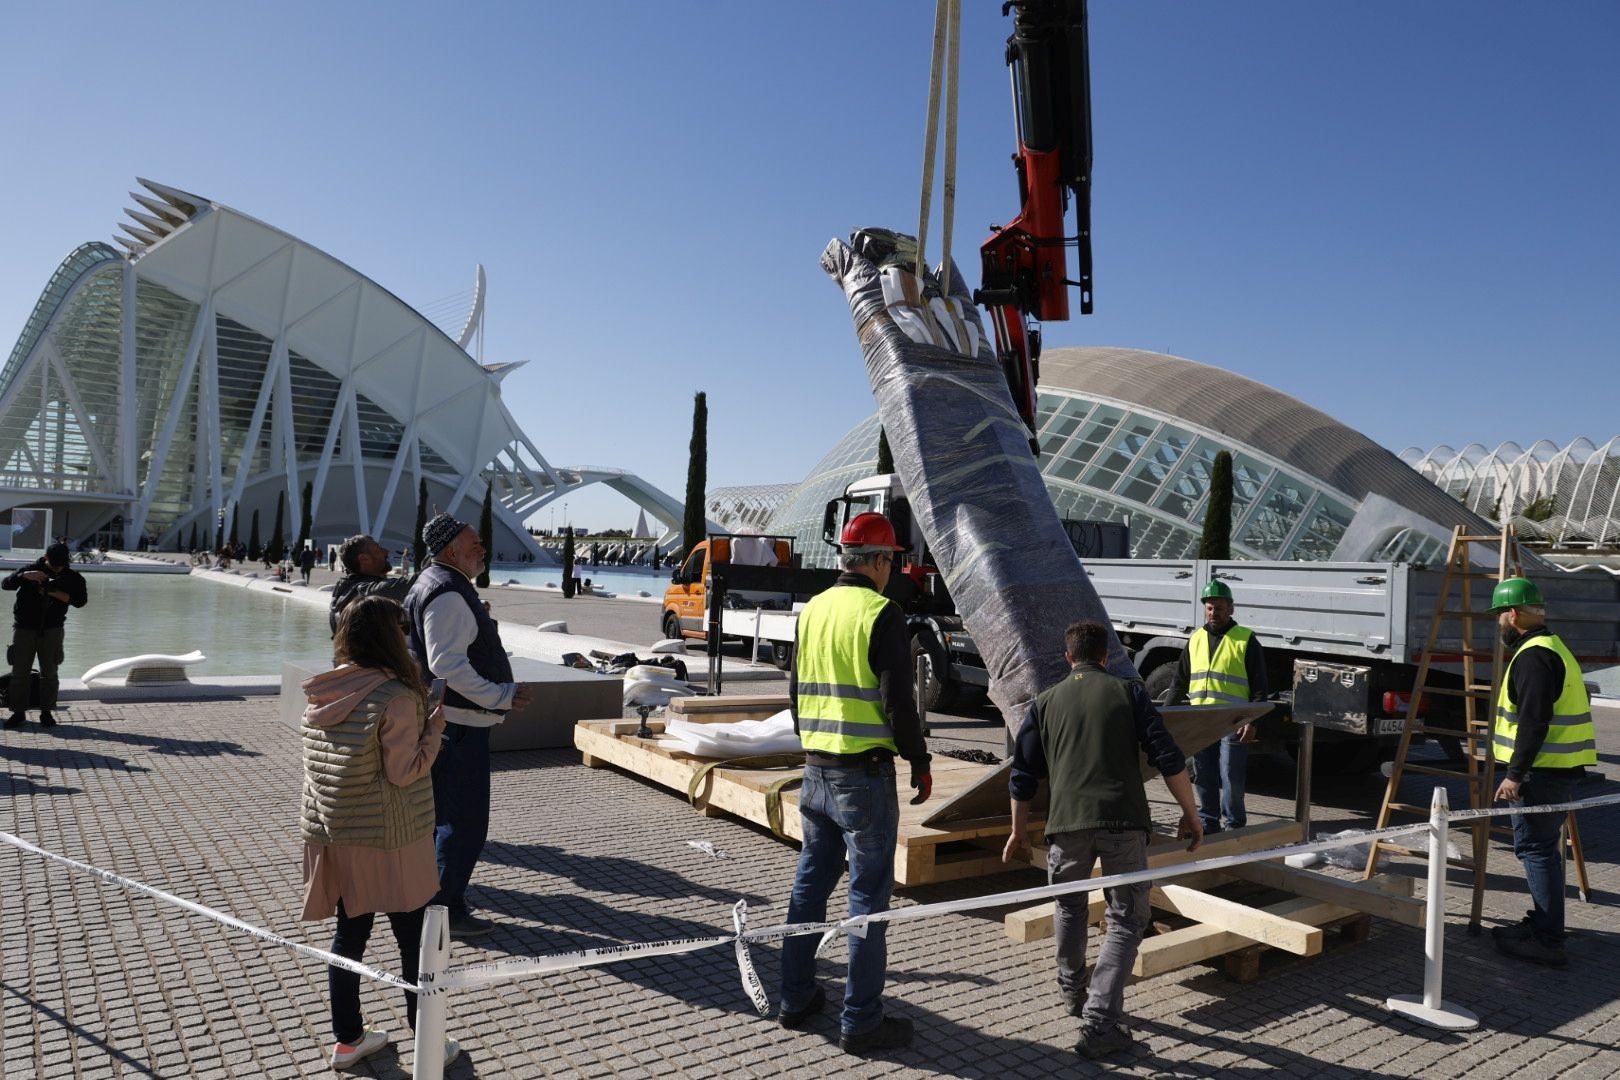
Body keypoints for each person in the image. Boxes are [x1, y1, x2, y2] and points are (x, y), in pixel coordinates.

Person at [1004, 619, 1202, 1060]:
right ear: (1106, 657)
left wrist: (1018, 830)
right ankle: (1099, 1025)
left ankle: (1072, 991)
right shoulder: (1129, 692)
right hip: (1123, 823)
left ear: (1069, 657)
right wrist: (1191, 814)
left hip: (1065, 826)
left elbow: (1022, 775)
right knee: (1127, 919)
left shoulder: (1044, 701)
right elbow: (1167, 757)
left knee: (1069, 907)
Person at [777, 512, 930, 1055]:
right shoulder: (880, 611)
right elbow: (897, 702)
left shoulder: (814, 609)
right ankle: (861, 1021)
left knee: (809, 887)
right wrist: (919, 758)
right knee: (867, 898)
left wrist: (813, 743)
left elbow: (796, 691)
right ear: (880, 561)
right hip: (863, 777)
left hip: (815, 770)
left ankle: (794, 996)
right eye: (893, 560)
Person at [301, 596, 461, 1072]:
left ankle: (348, 1041)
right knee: (415, 942)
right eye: (401, 629)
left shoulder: (325, 689)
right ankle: (426, 1043)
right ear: (389, 637)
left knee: (349, 940)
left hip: (338, 833)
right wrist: (433, 729)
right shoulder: (397, 695)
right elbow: (404, 770)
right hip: (392, 840)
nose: (407, 636)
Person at [405, 513, 532, 940]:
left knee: (441, 817)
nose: (482, 547)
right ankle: (444, 910)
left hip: (449, 723)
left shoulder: (438, 583)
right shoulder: (447, 591)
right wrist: (502, 696)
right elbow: (447, 666)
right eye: (473, 541)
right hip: (459, 727)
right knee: (464, 824)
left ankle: (430, 900)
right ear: (450, 550)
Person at [1488, 576, 1596, 968]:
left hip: (1541, 773)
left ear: (1512, 614)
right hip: (1557, 769)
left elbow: (1534, 721)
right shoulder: (1552, 646)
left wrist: (1515, 774)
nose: (1499, 622)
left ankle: (1548, 940)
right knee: (1542, 851)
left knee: (1536, 851)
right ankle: (1542, 925)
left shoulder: (1532, 656)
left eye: (1500, 615)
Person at [1172, 580, 1268, 833]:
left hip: (1233, 720)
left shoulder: (1245, 639)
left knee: (1231, 776)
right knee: (1203, 774)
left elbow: (1260, 686)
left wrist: (1252, 720)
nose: (1215, 612)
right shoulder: (1196, 639)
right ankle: (1208, 822)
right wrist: (1165, 717)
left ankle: (1235, 826)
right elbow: (1180, 681)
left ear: (1231, 609)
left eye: (1221, 608)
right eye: (1211, 607)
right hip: (1201, 720)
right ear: (1205, 609)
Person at [3, 543, 88, 729]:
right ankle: (18, 713)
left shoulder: (72, 577)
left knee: (50, 673)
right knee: (19, 673)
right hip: (24, 629)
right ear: (45, 557)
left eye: (62, 564)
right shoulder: (30, 570)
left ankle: (47, 712)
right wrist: (23, 576)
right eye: (55, 563)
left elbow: (81, 601)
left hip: (52, 630)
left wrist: (54, 593)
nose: (59, 567)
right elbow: (5, 584)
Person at [330, 534, 411, 635]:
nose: (386, 552)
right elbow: (409, 585)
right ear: (364, 559)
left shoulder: (342, 591)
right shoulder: (366, 594)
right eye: (378, 549)